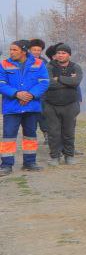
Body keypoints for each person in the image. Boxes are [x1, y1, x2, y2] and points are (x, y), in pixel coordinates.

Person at [1, 40, 49, 174]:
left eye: (14, 50)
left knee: (30, 136)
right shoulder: (4, 64)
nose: (11, 52)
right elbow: (1, 83)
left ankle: (29, 162)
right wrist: (16, 94)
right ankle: (6, 165)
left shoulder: (39, 63)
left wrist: (31, 95)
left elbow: (44, 82)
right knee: (8, 137)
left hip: (31, 106)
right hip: (12, 107)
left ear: (24, 51)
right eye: (10, 49)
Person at [43, 43, 83, 164]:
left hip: (70, 104)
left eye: (63, 53)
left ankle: (69, 155)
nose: (60, 55)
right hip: (51, 105)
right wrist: (68, 81)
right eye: (59, 53)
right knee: (53, 132)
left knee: (69, 131)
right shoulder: (49, 66)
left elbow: (76, 82)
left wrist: (59, 78)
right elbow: (48, 83)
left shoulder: (76, 67)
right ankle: (55, 157)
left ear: (69, 55)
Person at [27, 38, 47, 142]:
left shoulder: (44, 62)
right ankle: (31, 138)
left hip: (42, 94)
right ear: (29, 50)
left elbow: (45, 79)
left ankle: (46, 135)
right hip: (27, 93)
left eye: (38, 50)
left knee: (43, 116)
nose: (36, 52)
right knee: (30, 118)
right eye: (34, 49)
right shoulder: (24, 61)